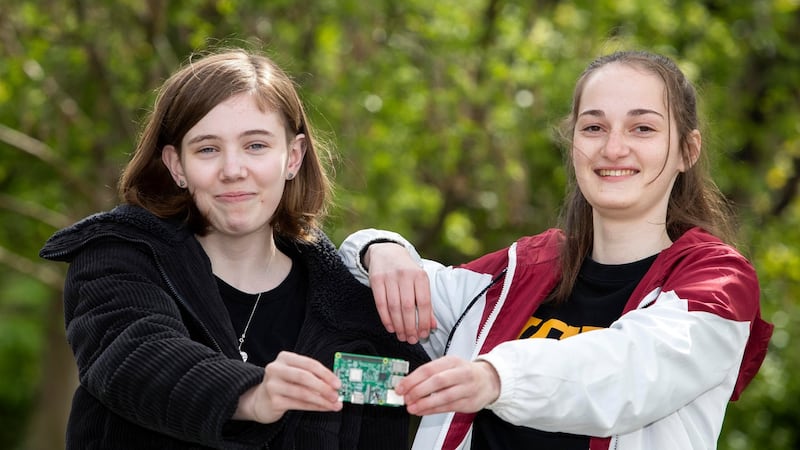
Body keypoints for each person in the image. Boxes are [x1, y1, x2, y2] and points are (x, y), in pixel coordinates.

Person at [339, 50, 773, 450]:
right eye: (593, 127)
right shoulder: (521, 270)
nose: (613, 148)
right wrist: (380, 247)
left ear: (687, 151)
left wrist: (495, 377)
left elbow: (624, 374)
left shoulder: (717, 283)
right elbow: (345, 295)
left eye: (642, 128)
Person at [39, 48, 428, 450]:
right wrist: (253, 394)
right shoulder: (119, 257)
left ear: (292, 158)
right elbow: (134, 356)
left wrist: (380, 246)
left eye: (255, 145)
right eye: (207, 149)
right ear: (177, 166)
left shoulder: (352, 314)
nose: (232, 169)